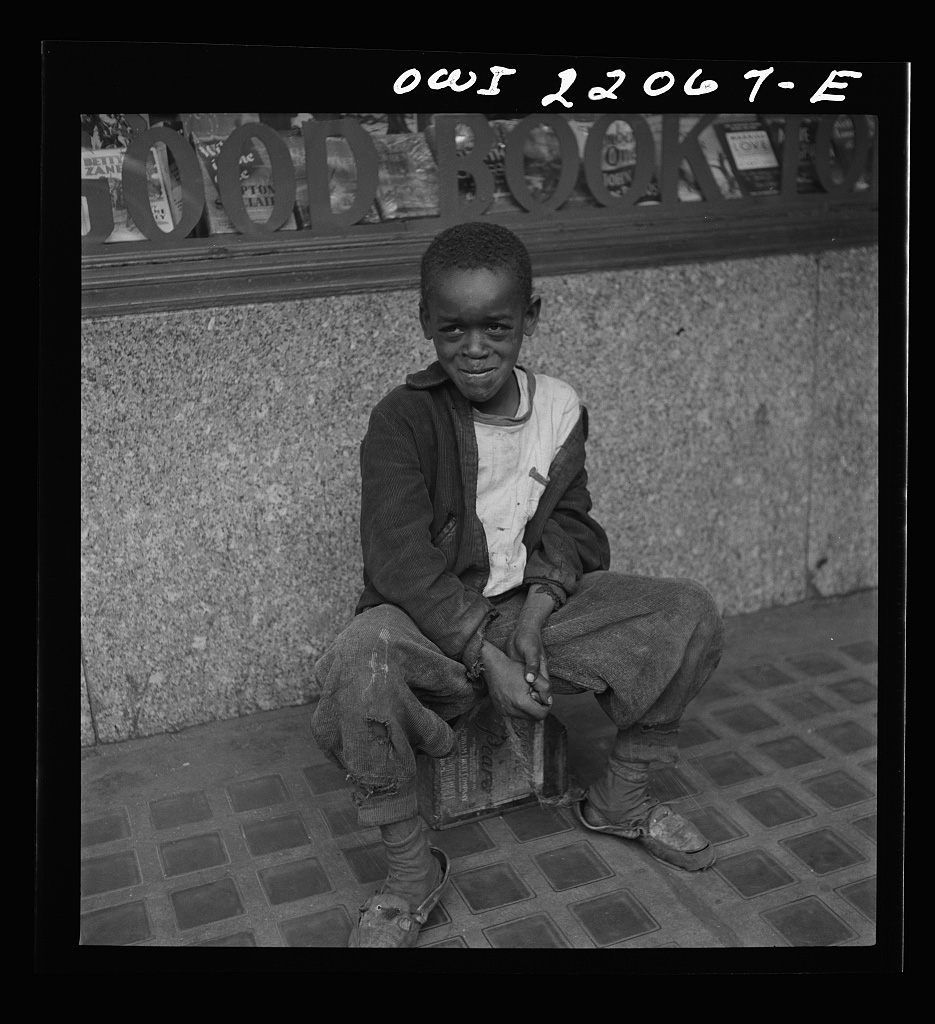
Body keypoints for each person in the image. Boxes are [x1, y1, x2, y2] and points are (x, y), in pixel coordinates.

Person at [310, 221, 724, 948]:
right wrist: (484, 653)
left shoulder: (559, 407)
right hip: (432, 624)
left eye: (497, 326)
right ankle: (411, 871)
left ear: (531, 317)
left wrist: (535, 612)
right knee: (358, 659)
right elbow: (398, 560)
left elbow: (573, 526)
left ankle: (618, 799)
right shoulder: (401, 419)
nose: (475, 347)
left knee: (687, 613)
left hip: (529, 614)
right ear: (424, 324)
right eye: (453, 329)